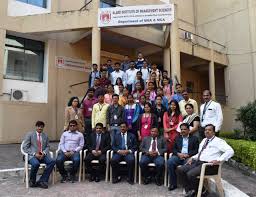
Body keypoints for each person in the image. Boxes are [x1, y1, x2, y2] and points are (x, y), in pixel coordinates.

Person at [177, 124, 234, 197]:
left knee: (190, 174)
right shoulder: (204, 140)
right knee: (180, 169)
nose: (207, 131)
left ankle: (202, 191)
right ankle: (191, 190)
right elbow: (200, 153)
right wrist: (192, 157)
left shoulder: (218, 141)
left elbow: (230, 151)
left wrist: (219, 160)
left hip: (209, 166)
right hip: (198, 163)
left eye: (209, 130)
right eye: (206, 130)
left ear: (214, 132)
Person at [22, 121, 55, 189]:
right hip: (31, 155)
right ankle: (32, 181)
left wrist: (44, 153)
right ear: (36, 127)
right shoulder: (30, 134)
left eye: (41, 127)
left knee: (52, 161)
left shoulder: (45, 136)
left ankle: (42, 180)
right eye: (38, 126)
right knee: (36, 164)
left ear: (43, 128)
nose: (40, 128)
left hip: (42, 155)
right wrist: (34, 154)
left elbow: (48, 146)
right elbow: (25, 147)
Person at [167, 123, 199, 191]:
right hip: (178, 156)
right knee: (170, 162)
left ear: (188, 130)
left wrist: (188, 155)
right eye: (181, 129)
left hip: (188, 157)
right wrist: (178, 154)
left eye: (185, 129)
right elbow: (174, 149)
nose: (183, 131)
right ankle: (173, 184)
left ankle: (187, 186)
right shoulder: (177, 138)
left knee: (189, 164)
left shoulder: (194, 138)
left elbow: (196, 150)